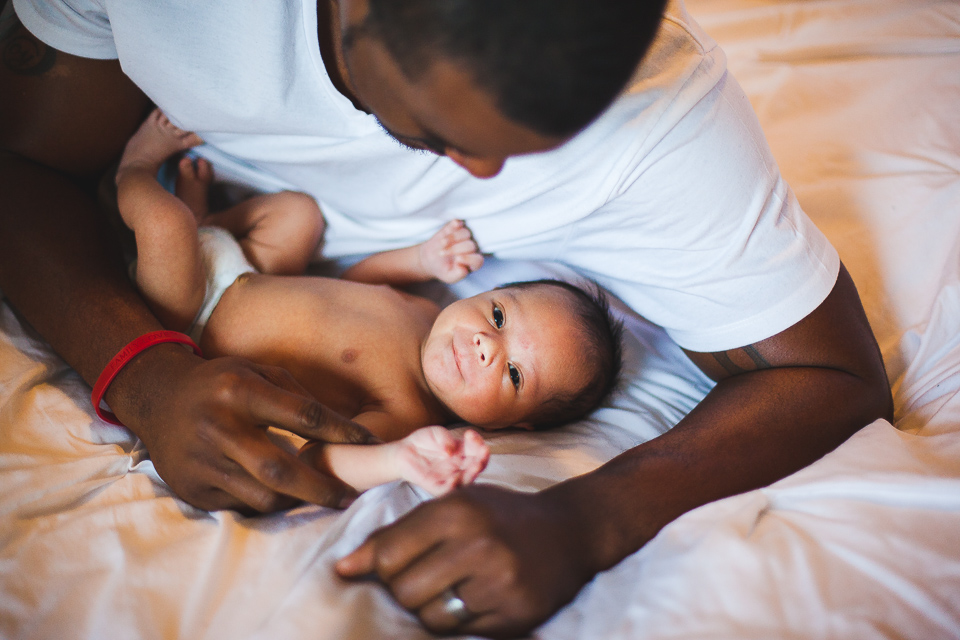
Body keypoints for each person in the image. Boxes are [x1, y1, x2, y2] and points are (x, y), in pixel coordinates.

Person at [0, 0, 893, 637]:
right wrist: (145, 373)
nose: (482, 174)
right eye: (438, 126)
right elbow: (24, 167)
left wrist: (590, 519)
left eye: (536, 134)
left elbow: (832, 377)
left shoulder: (663, 118)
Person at [113, 107, 621, 495]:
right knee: (299, 215)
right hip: (244, 270)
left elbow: (324, 458)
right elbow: (358, 282)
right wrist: (421, 260)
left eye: (513, 374)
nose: (487, 344)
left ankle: (135, 169)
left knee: (166, 225)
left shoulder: (404, 412)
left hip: (187, 319)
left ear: (512, 426)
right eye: (498, 316)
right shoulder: (426, 313)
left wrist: (399, 459)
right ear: (488, 293)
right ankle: (205, 226)